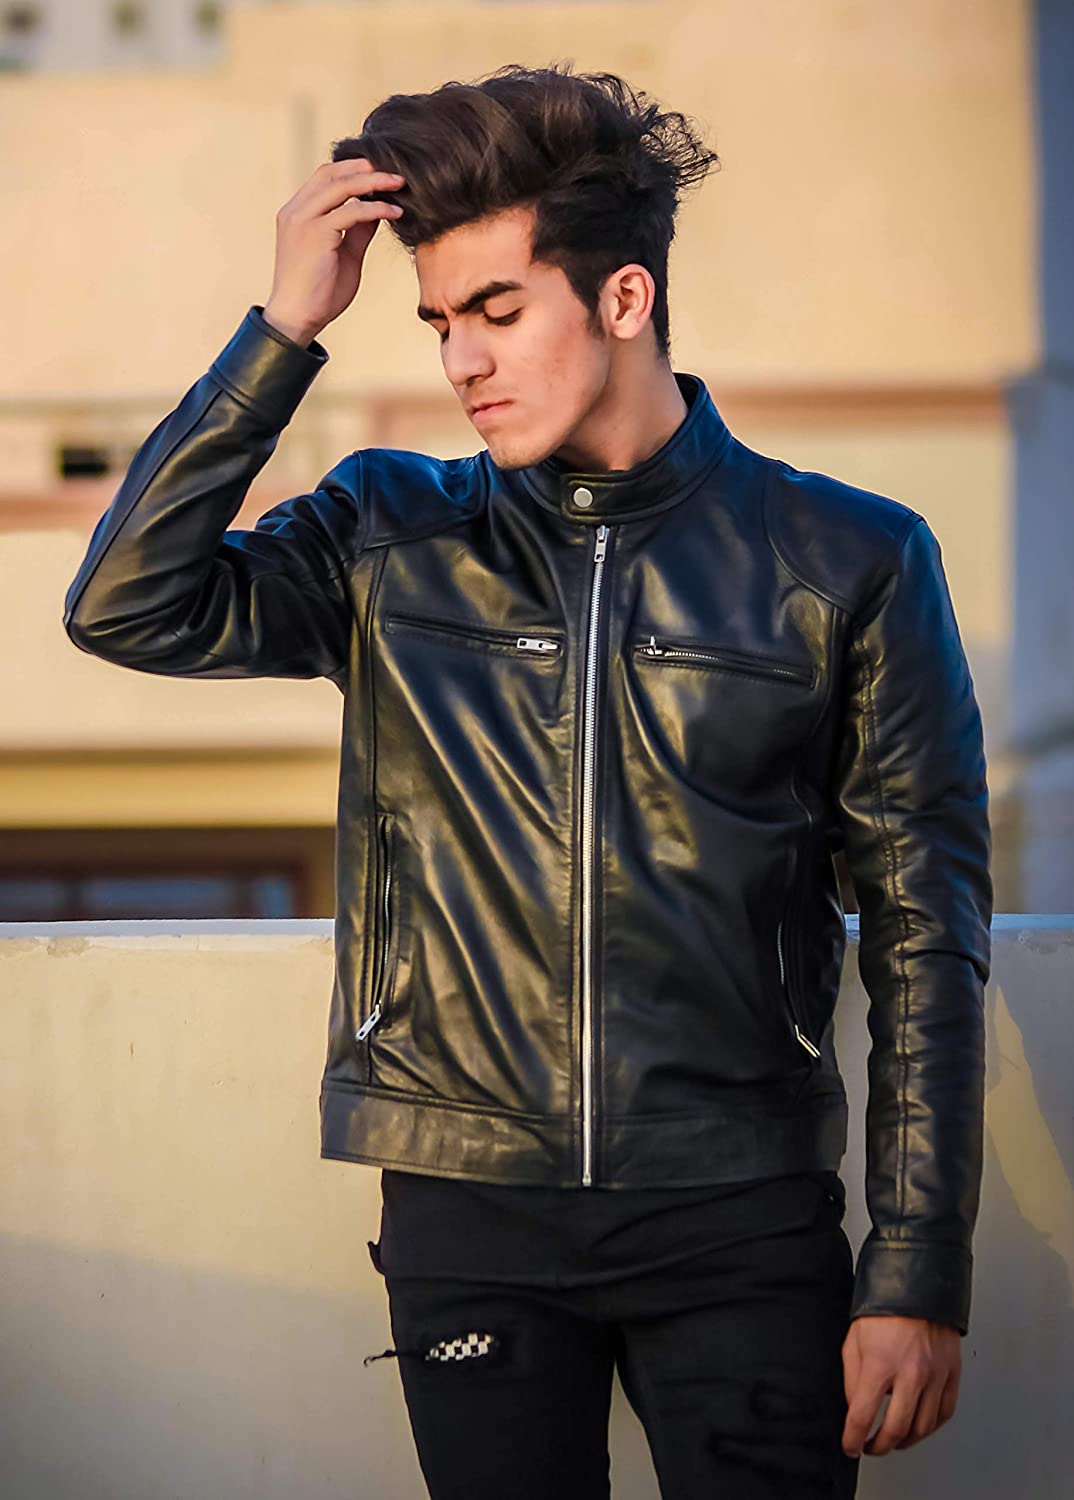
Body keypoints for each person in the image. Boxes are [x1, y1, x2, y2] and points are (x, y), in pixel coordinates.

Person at [63, 62, 992, 1500]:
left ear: (623, 298)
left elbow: (927, 927)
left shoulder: (845, 560)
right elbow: (125, 606)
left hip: (738, 1210)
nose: (461, 362)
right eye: (441, 322)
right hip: (466, 1210)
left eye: (496, 312)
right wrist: (282, 330)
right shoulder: (391, 534)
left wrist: (917, 1267)